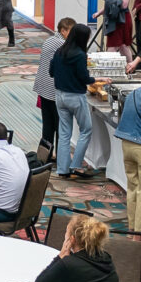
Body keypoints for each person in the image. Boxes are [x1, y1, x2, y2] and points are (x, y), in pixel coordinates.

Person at [52, 22, 102, 180]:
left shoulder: (60, 51)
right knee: (86, 130)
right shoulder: (80, 55)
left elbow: (51, 72)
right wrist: (97, 79)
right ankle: (76, 165)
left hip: (59, 96)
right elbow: (84, 78)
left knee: (64, 133)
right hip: (75, 97)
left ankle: (62, 168)